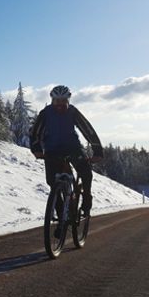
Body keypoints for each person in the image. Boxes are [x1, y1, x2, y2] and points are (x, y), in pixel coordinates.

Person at [30, 85, 103, 217]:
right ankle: (61, 217)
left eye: (63, 101)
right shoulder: (45, 114)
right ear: (52, 100)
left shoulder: (73, 112)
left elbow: (87, 130)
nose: (60, 104)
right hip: (52, 150)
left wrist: (97, 150)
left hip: (73, 148)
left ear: (68, 100)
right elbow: (35, 133)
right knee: (53, 183)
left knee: (86, 173)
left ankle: (86, 201)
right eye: (57, 101)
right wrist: (36, 149)